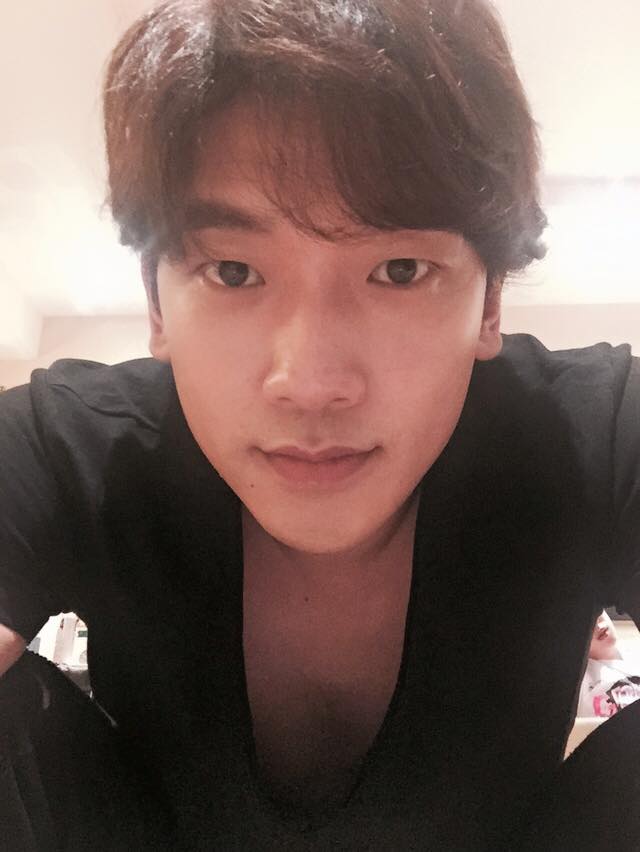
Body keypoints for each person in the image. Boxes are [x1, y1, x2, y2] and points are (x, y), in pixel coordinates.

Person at [1, 0, 639, 848]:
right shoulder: (67, 444)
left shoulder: (597, 428)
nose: (308, 383)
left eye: (400, 270)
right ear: (156, 302)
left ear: (489, 302)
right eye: (233, 271)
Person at [577, 610, 640, 718]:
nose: (599, 626)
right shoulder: (579, 685)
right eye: (586, 625)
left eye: (598, 614)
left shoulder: (635, 654)